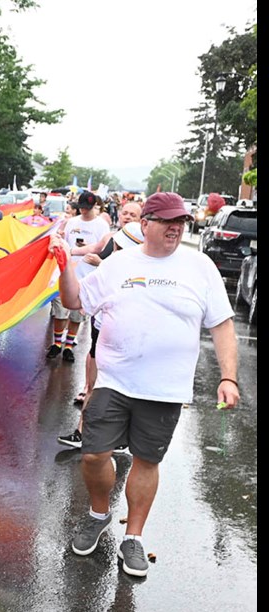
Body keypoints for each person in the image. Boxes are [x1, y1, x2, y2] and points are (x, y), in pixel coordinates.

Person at [50, 191, 239, 577]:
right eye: (167, 221)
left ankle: (132, 538)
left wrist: (228, 377)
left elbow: (221, 324)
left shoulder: (200, 266)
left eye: (180, 222)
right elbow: (74, 300)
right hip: (114, 380)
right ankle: (98, 513)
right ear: (145, 224)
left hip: (165, 389)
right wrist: (64, 265)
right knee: (93, 455)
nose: (175, 228)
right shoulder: (120, 263)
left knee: (147, 461)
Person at [58, 200, 143, 449]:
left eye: (133, 214)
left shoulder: (142, 261)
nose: (127, 216)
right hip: (101, 327)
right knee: (95, 383)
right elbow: (76, 296)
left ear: (144, 220)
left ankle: (117, 437)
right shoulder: (110, 238)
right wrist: (67, 253)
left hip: (125, 335)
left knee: (118, 388)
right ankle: (82, 432)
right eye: (125, 212)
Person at [46, 191, 110, 363]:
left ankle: (68, 345)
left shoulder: (102, 226)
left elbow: (103, 249)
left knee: (77, 315)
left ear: (94, 207)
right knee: (60, 312)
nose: (83, 211)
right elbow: (63, 242)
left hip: (86, 277)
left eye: (87, 208)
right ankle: (57, 343)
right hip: (66, 274)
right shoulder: (71, 222)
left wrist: (87, 247)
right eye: (81, 207)